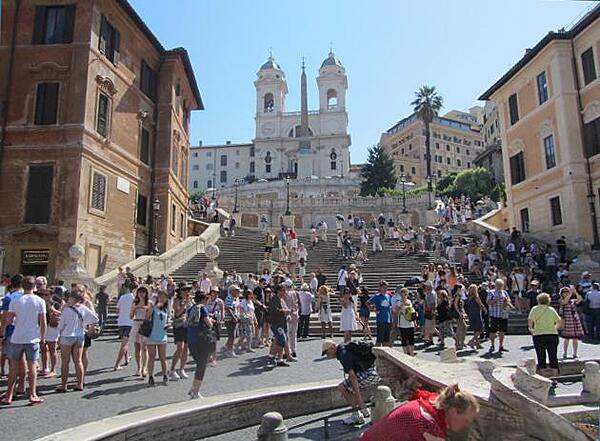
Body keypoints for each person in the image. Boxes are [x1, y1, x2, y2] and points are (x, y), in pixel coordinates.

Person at [360, 384, 480, 441]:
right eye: (466, 420)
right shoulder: (430, 426)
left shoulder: (428, 405)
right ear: (454, 411)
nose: (466, 426)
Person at [1, 276, 46, 405]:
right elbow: (43, 322)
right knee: (32, 365)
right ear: (35, 287)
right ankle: (32, 394)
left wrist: (3, 333)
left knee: (13, 367)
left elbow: (8, 320)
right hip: (32, 337)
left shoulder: (15, 301)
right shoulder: (39, 301)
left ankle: (9, 394)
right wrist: (42, 337)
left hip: (17, 337)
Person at [322, 339, 380, 426]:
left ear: (332, 348)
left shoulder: (342, 355)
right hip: (375, 371)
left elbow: (353, 377)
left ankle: (357, 415)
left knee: (342, 387)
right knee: (347, 386)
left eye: (327, 352)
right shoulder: (345, 347)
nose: (327, 355)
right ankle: (360, 412)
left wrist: (360, 399)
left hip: (368, 375)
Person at [56, 290, 98, 392]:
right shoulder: (83, 308)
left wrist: (58, 336)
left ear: (73, 298)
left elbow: (61, 326)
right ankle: (79, 384)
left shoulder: (66, 310)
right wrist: (88, 327)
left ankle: (63, 385)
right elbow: (95, 318)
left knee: (65, 362)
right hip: (79, 336)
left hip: (67, 335)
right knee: (78, 361)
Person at [186, 292, 215, 399]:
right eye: (206, 299)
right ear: (203, 299)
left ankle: (193, 388)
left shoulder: (190, 309)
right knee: (201, 366)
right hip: (201, 340)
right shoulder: (202, 309)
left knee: (199, 364)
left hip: (191, 339)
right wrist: (211, 320)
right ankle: (195, 391)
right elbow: (209, 323)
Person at [528, 293, 563, 376]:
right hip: (552, 334)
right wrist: (555, 328)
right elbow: (559, 321)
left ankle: (543, 376)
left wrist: (531, 330)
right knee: (553, 356)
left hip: (539, 335)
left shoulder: (534, 309)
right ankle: (554, 377)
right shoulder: (551, 309)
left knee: (541, 356)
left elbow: (530, 321)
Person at [145, 290, 170, 387]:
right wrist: (154, 307)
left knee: (163, 357)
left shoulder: (166, 309)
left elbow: (167, 320)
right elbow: (146, 317)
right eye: (160, 297)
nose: (162, 299)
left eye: (164, 297)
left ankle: (165, 375)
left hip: (162, 335)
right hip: (152, 335)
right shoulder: (153, 307)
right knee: (151, 357)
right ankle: (150, 377)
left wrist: (168, 324)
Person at [169, 285, 192, 380]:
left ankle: (182, 369)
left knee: (186, 348)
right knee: (180, 348)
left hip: (188, 325)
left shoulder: (190, 299)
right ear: (180, 291)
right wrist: (184, 303)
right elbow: (177, 313)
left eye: (188, 290)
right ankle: (172, 370)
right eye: (185, 290)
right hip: (179, 326)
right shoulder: (176, 300)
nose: (187, 291)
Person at [129, 285, 151, 376]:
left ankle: (144, 368)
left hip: (145, 324)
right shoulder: (134, 302)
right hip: (136, 323)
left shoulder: (149, 302)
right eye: (140, 292)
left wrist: (144, 308)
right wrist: (136, 307)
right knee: (137, 348)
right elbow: (130, 316)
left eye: (143, 292)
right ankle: (139, 367)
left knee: (145, 348)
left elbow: (150, 314)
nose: (142, 294)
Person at [267, 285, 291, 367]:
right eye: (283, 290)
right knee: (281, 340)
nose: (285, 292)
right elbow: (275, 310)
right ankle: (271, 356)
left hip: (282, 322)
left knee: (280, 340)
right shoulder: (274, 299)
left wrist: (287, 313)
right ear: (279, 291)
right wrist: (285, 311)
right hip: (276, 323)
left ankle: (279, 359)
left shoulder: (281, 299)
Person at [487, 279, 513, 353]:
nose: (500, 287)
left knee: (502, 331)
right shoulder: (491, 292)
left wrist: (506, 301)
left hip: (503, 314)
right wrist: (496, 299)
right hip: (494, 314)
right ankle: (492, 345)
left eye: (501, 285)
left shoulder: (505, 292)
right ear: (496, 285)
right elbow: (488, 302)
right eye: (499, 285)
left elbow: (509, 301)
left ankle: (501, 346)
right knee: (493, 331)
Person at [114, 282, 135, 371]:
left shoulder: (122, 297)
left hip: (121, 322)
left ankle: (126, 358)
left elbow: (117, 311)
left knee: (124, 341)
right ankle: (117, 364)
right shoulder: (135, 299)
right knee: (124, 344)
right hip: (129, 322)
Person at [559, 286, 584, 358]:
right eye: (564, 292)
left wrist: (575, 292)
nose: (566, 293)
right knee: (566, 338)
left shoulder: (572, 301)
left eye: (567, 291)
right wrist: (570, 293)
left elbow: (580, 299)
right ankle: (565, 353)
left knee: (575, 338)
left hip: (574, 320)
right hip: (566, 320)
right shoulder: (561, 301)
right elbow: (565, 302)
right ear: (562, 294)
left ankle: (575, 353)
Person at [368, 281, 392, 347]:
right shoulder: (377, 296)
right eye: (384, 287)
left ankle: (385, 355)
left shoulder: (388, 296)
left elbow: (390, 305)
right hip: (380, 320)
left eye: (386, 287)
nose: (385, 289)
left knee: (386, 340)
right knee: (379, 340)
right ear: (380, 288)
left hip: (388, 319)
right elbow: (367, 303)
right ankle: (376, 355)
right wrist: (374, 309)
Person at [397, 288, 417, 356]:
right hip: (403, 324)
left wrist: (415, 322)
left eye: (405, 294)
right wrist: (401, 305)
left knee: (411, 340)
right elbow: (397, 313)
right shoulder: (399, 302)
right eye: (403, 294)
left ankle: (411, 353)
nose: (404, 296)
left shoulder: (409, 302)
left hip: (410, 324)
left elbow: (412, 312)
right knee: (404, 340)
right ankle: (405, 354)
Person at [465, 284, 486, 349]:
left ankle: (477, 344)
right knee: (480, 329)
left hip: (471, 314)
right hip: (476, 314)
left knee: (475, 329)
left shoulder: (469, 297)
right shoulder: (476, 296)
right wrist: (485, 309)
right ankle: (471, 341)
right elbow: (480, 304)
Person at [223, 285, 241, 357]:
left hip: (234, 318)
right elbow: (228, 308)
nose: (237, 292)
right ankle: (230, 351)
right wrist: (234, 317)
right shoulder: (229, 298)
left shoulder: (235, 298)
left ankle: (227, 346)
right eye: (236, 290)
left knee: (234, 335)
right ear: (232, 291)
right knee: (232, 336)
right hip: (230, 319)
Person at [423, 281, 437, 346]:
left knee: (429, 326)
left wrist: (430, 310)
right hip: (430, 311)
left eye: (426, 286)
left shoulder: (431, 294)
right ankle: (430, 339)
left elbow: (432, 303)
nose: (425, 287)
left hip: (430, 311)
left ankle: (429, 339)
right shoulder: (429, 293)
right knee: (430, 326)